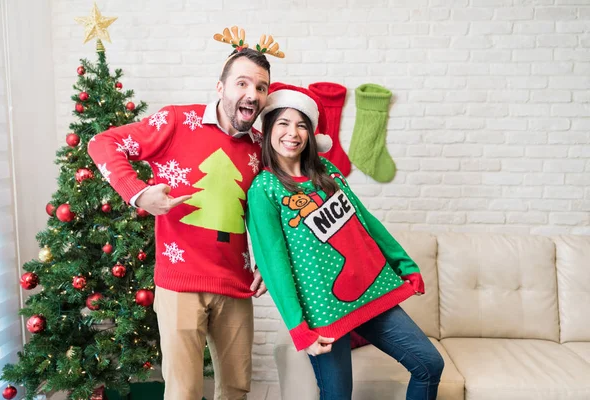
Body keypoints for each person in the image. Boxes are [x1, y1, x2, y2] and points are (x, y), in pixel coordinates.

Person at [89, 42, 272, 399]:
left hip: (235, 285)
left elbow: (270, 211)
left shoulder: (261, 146)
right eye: (242, 83)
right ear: (221, 88)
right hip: (180, 283)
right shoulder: (176, 121)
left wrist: (266, 260)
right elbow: (101, 142)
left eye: (261, 87)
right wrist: (139, 193)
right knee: (183, 391)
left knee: (236, 388)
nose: (252, 94)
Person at [246, 83, 445, 400]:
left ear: (311, 134)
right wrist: (300, 330)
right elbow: (275, 265)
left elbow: (365, 222)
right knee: (337, 396)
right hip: (324, 313)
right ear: (269, 129)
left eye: (301, 125)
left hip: (370, 292)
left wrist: (403, 263)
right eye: (283, 123)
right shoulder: (265, 189)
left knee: (429, 365)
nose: (292, 133)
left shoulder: (327, 171)